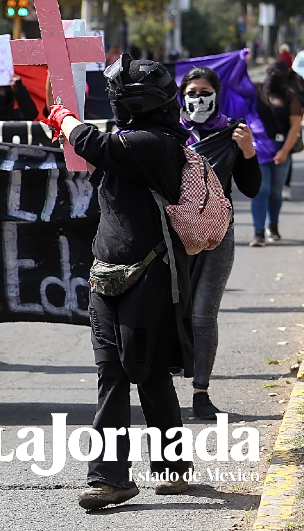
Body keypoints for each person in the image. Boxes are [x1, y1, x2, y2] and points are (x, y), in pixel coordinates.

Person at [44, 56, 194, 509]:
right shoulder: (129, 139)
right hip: (105, 273)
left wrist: (65, 117)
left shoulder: (157, 144)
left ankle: (173, 465)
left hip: (151, 275)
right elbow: (94, 149)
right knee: (112, 374)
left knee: (145, 373)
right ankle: (110, 479)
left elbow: (91, 140)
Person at [178, 67, 260, 420]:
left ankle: (201, 392)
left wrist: (248, 151)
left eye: (204, 90)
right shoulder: (170, 133)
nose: (198, 97)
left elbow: (251, 188)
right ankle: (159, 390)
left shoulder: (231, 133)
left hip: (216, 235)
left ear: (217, 93)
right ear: (181, 95)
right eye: (192, 91)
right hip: (172, 236)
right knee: (168, 310)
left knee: (202, 314)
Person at [249, 60, 302, 246]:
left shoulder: (290, 97)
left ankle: (273, 225)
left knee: (275, 192)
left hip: (281, 149)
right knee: (260, 191)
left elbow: (295, 126)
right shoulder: (256, 91)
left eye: (278, 73)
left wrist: (285, 151)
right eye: (271, 72)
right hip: (258, 150)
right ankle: (258, 232)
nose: (273, 75)